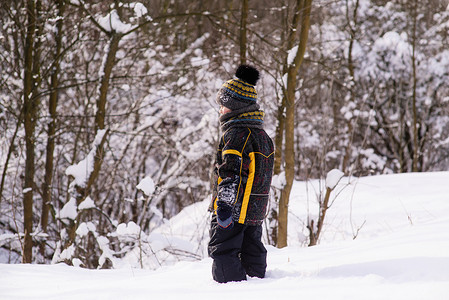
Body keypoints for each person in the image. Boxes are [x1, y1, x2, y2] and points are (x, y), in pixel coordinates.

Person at [208, 64, 275, 283]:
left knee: (223, 251)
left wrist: (224, 207)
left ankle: (231, 291)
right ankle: (258, 285)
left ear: (235, 106)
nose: (220, 110)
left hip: (234, 209)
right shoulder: (263, 136)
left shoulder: (235, 135)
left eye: (223, 106)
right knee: (252, 249)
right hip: (255, 210)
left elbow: (230, 172)